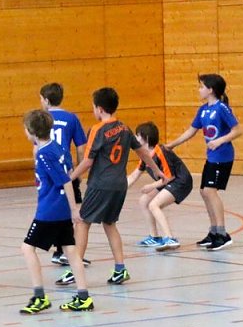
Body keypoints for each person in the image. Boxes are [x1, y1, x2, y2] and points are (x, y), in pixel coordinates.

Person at [55, 87, 164, 289]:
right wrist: (157, 170)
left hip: (100, 184)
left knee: (82, 223)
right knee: (109, 223)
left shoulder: (97, 130)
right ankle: (120, 268)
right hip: (119, 185)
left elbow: (87, 161)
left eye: (93, 107)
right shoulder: (124, 128)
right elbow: (143, 152)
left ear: (100, 108)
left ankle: (74, 269)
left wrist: (69, 177)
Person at [20, 110, 91, 314]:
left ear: (31, 131)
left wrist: (74, 209)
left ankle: (39, 296)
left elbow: (66, 180)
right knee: (70, 250)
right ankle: (83, 296)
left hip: (50, 210)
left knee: (27, 248)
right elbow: (69, 171)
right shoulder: (59, 146)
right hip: (60, 208)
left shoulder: (44, 154)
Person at [165, 74, 242, 251]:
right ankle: (213, 231)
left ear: (211, 90)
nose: (199, 90)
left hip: (222, 156)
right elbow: (191, 131)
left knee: (210, 191)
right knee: (204, 192)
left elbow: (237, 130)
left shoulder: (222, 108)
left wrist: (220, 141)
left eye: (201, 87)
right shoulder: (203, 110)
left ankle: (222, 234)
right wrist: (172, 144)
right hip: (211, 157)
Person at [38, 83, 87, 266]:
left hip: (48, 172)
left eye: (41, 99)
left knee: (55, 207)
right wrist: (79, 170)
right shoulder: (71, 118)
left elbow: (36, 147)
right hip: (66, 171)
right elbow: (81, 147)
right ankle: (69, 251)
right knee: (76, 211)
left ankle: (60, 251)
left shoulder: (42, 118)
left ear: (46, 100)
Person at [128, 122, 194, 252]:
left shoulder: (161, 152)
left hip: (181, 181)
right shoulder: (144, 155)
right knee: (144, 201)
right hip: (167, 181)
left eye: (138, 135)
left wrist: (151, 185)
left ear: (146, 138)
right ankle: (154, 237)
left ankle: (170, 238)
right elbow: (134, 176)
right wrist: (118, 189)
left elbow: (169, 177)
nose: (135, 138)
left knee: (154, 205)